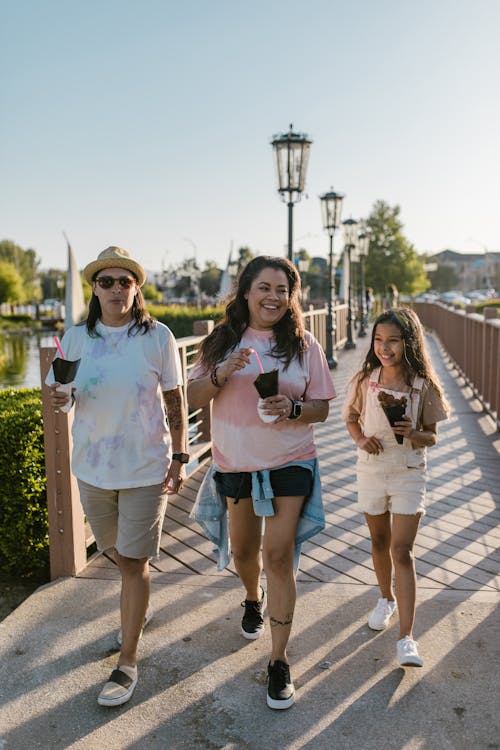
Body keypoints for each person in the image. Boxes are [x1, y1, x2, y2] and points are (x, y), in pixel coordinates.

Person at [187, 256, 336, 709]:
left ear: (291, 297)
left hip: (291, 460)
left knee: (278, 554)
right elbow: (193, 396)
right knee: (247, 551)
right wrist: (222, 372)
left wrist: (292, 409)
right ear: (246, 291)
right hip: (236, 464)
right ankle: (253, 597)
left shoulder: (304, 343)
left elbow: (322, 408)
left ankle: (279, 660)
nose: (273, 296)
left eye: (282, 289)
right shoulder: (222, 340)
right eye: (263, 287)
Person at [47, 246, 188, 707]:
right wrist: (59, 399)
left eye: (123, 281)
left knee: (134, 562)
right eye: (105, 281)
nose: (114, 289)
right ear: (94, 288)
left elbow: (175, 400)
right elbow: (61, 396)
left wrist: (180, 457)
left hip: (147, 466)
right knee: (115, 551)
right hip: (93, 467)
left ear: (136, 287)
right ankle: (136, 611)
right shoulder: (74, 339)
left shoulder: (158, 337)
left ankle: (127, 661)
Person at [342, 308, 449, 667]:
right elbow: (351, 418)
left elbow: (431, 437)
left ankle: (407, 638)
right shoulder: (364, 379)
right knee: (378, 542)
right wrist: (360, 439)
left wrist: (411, 433)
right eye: (379, 340)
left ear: (409, 342)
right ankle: (385, 598)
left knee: (402, 551)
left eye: (393, 340)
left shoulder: (423, 384)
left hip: (408, 471)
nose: (384, 347)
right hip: (372, 468)